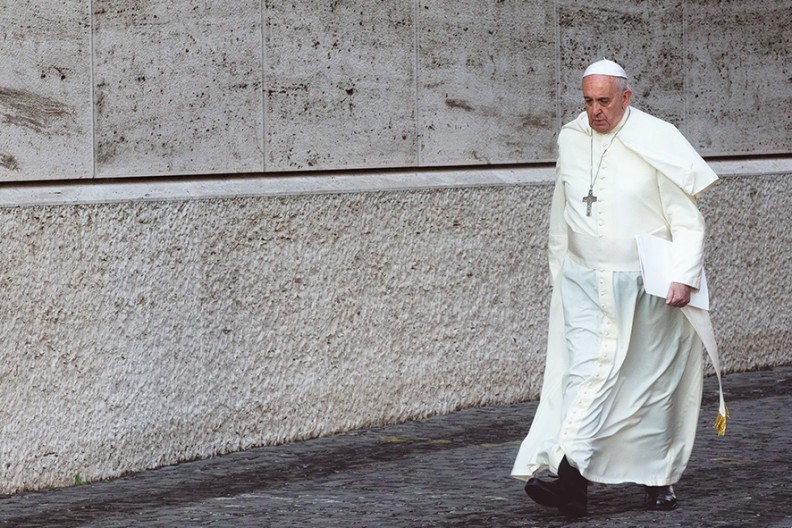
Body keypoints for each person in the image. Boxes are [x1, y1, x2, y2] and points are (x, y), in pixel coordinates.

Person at [510, 58, 727, 517]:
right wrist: (560, 275)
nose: (595, 111)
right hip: (586, 284)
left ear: (626, 98)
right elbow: (560, 215)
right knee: (586, 376)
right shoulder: (571, 139)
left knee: (653, 389)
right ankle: (573, 483)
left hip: (648, 289)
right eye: (588, 101)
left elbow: (687, 219)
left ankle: (659, 478)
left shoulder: (656, 139)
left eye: (604, 101)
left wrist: (684, 276)